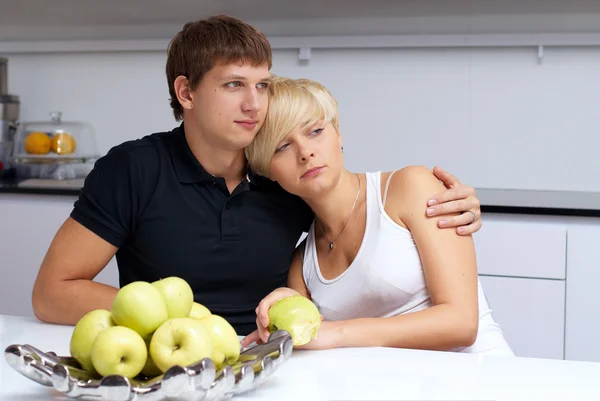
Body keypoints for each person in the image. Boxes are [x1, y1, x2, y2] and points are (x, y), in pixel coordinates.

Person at [31, 15, 483, 337]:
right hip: (166, 362)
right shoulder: (134, 169)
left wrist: (457, 202)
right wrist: (174, 316)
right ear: (186, 92)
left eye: (261, 85)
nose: (254, 104)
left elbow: (357, 200)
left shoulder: (280, 174)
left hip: (267, 363)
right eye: (234, 85)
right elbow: (52, 293)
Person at [241, 76, 513, 356]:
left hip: (482, 378)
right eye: (282, 146)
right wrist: (287, 307)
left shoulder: (410, 187)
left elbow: (461, 324)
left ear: (338, 134)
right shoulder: (302, 265)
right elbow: (312, 340)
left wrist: (337, 332)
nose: (305, 152)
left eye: (315, 131)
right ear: (267, 170)